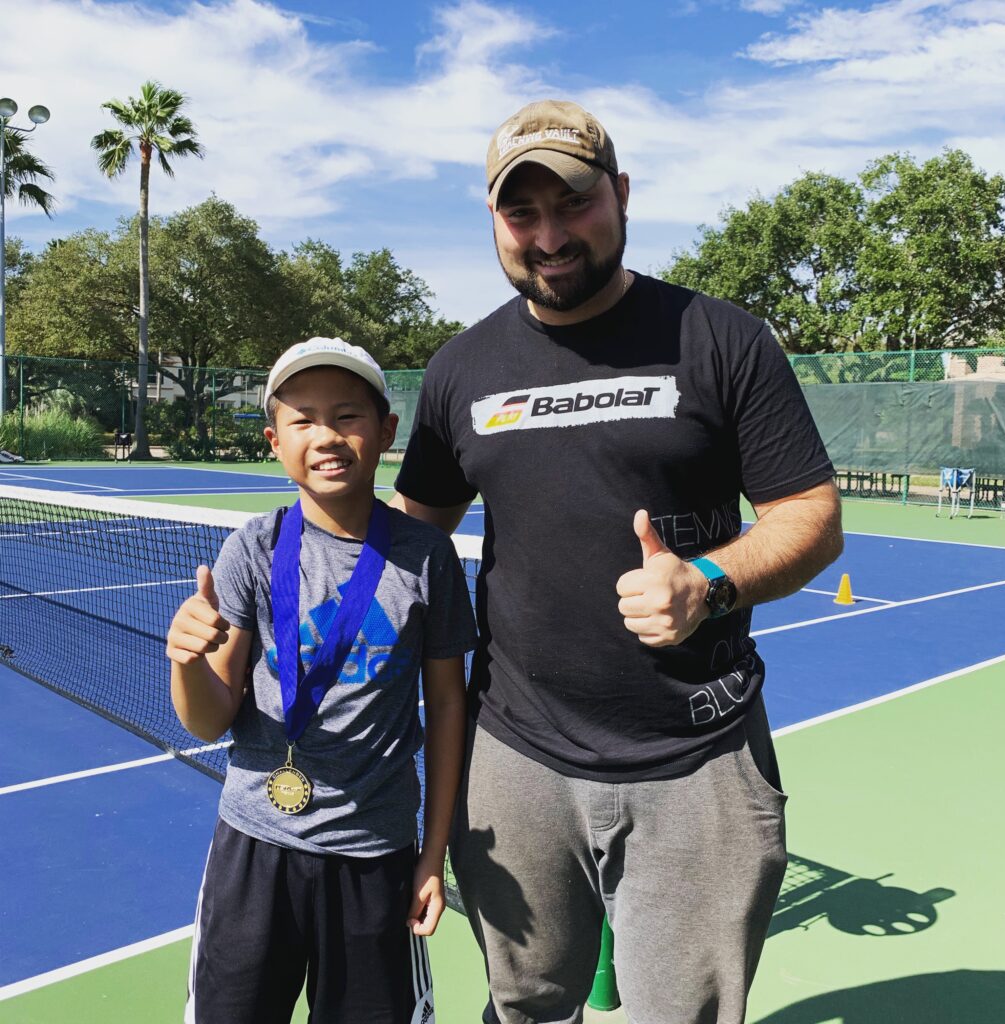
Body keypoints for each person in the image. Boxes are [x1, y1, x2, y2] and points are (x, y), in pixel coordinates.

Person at [391, 100, 844, 1024]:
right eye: (523, 214)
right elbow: (415, 534)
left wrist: (708, 584)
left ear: (622, 195)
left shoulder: (722, 340)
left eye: (574, 204)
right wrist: (279, 599)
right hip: (513, 756)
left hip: (696, 759)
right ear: (495, 224)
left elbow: (812, 518)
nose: (550, 235)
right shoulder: (461, 370)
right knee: (524, 1004)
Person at [166, 337, 477, 1024]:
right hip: (253, 851)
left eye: (347, 415)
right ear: (275, 441)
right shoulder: (253, 547)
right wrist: (185, 662)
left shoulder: (426, 558)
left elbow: (449, 704)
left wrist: (433, 854)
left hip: (376, 859)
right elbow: (209, 719)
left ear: (387, 431)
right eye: (303, 420)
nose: (327, 436)